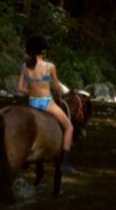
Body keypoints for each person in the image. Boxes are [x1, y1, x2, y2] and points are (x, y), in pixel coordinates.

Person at [17, 34, 78, 175]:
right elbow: (57, 88)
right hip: (46, 103)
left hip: (32, 103)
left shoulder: (24, 66)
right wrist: (58, 96)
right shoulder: (50, 67)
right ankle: (65, 162)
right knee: (69, 127)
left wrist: (31, 91)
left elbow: (19, 89)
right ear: (43, 51)